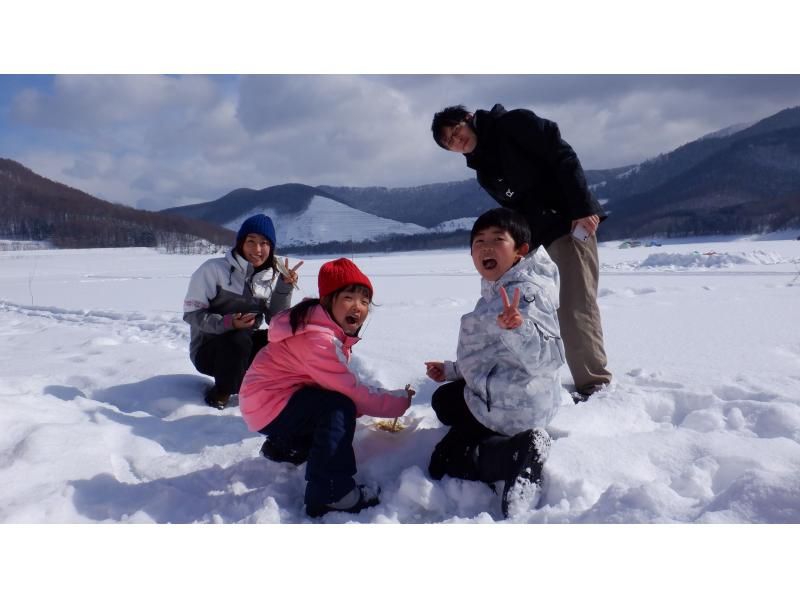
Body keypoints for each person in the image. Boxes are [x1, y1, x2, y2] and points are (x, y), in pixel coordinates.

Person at [431, 104, 612, 401]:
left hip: (570, 225)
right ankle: (507, 374)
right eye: (448, 142)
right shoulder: (484, 171)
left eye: (456, 131)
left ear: (468, 119)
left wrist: (583, 208)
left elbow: (561, 155)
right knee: (518, 306)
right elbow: (517, 211)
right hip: (535, 241)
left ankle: (593, 385)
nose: (455, 140)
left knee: (575, 305)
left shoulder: (511, 124)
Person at [239, 257, 415, 518]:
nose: (358, 307)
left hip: (266, 402)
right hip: (270, 404)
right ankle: (332, 492)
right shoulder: (318, 339)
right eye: (349, 297)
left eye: (365, 301)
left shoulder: (318, 325)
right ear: (327, 300)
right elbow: (351, 392)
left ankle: (287, 446)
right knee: (338, 407)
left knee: (332, 404)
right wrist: (400, 401)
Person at [424, 208, 565, 518]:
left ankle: (514, 453)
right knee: (444, 400)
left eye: (497, 240)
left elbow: (550, 358)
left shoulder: (525, 295)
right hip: (503, 390)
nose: (485, 248)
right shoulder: (499, 288)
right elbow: (489, 353)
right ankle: (491, 438)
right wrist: (451, 370)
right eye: (478, 241)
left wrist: (520, 329)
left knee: (443, 462)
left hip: (515, 402)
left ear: (520, 250)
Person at [183, 214, 302, 409]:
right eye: (251, 241)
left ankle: (275, 387)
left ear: (271, 247)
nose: (257, 249)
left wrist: (284, 287)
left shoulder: (270, 276)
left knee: (282, 341)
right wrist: (228, 323)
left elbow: (276, 321)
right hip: (208, 350)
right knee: (237, 338)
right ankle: (222, 391)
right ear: (240, 243)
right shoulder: (213, 270)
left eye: (264, 243)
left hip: (243, 345)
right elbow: (191, 314)